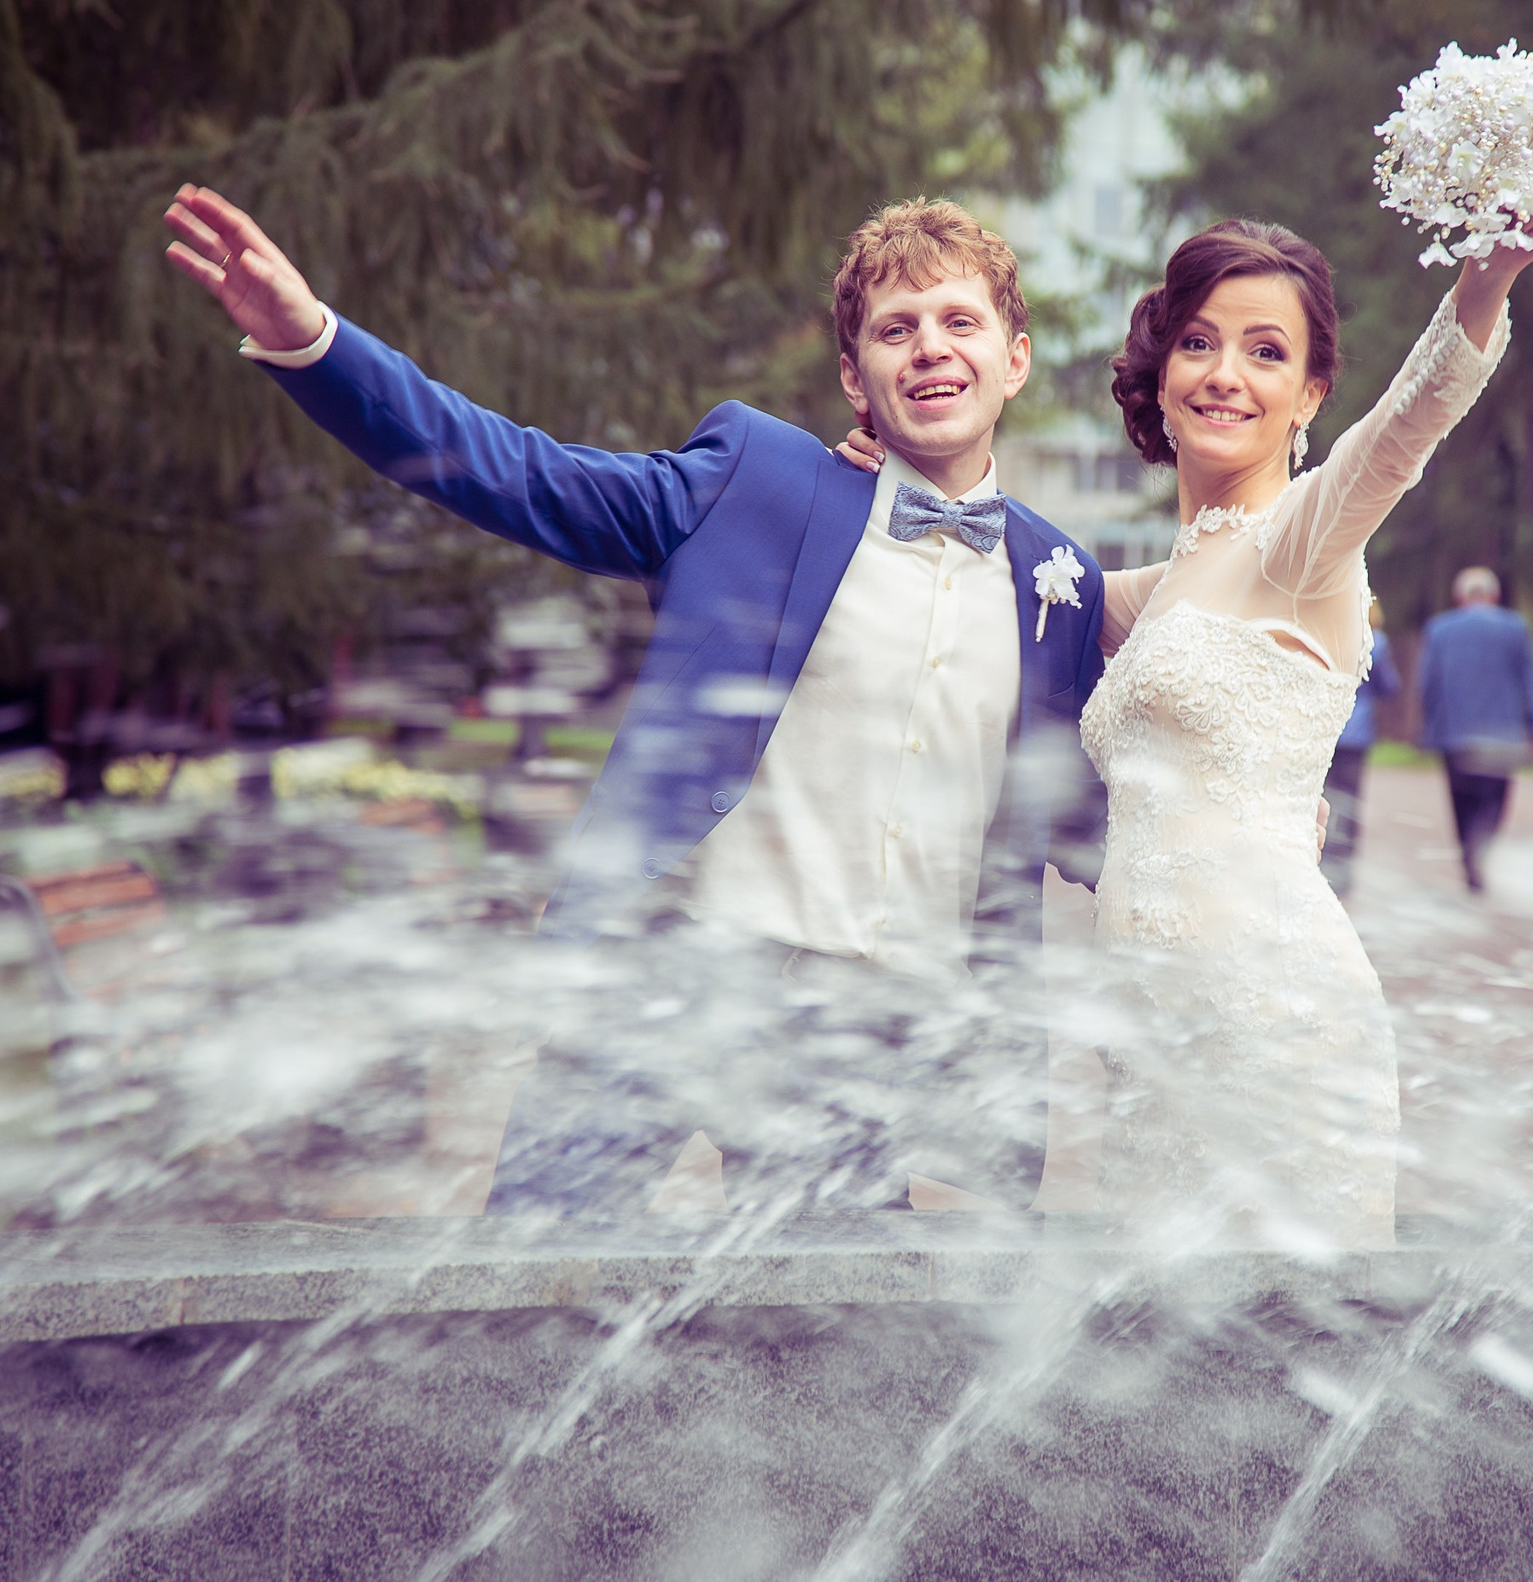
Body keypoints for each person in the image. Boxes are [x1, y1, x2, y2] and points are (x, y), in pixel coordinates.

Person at [161, 187, 1108, 1214]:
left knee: (821, 1339)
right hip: (681, 969)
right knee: (536, 1276)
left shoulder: (1056, 577)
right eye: (896, 329)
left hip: (878, 1026)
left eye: (959, 322)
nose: (929, 348)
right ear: (854, 375)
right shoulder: (761, 481)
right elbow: (517, 474)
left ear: (1013, 358)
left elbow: (1109, 788)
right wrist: (317, 346)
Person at [843, 210, 1533, 1246]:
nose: (1226, 373)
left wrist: (1484, 287)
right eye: (1199, 341)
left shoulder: (1301, 544)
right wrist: (890, 468)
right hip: (1148, 1035)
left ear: (1310, 394)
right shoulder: (1156, 584)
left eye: (1267, 352)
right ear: (1163, 372)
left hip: (1270, 1019)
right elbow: (991, 568)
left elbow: (1400, 436)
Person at [1414, 565, 1533, 893]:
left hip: (1455, 734)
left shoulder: (1440, 629)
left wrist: (1429, 726)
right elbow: (1529, 680)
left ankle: (1470, 858)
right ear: (1495, 595)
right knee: (1494, 800)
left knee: (1460, 801)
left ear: (1460, 597)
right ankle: (1482, 850)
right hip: (1503, 734)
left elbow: (1428, 682)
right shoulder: (1514, 628)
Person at [1321, 598, 1397, 899]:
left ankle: (1320, 859)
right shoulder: (1376, 642)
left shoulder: (1325, 634)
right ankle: (1343, 871)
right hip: (1357, 732)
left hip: (1325, 728)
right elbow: (1389, 686)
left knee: (1320, 797)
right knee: (1349, 799)